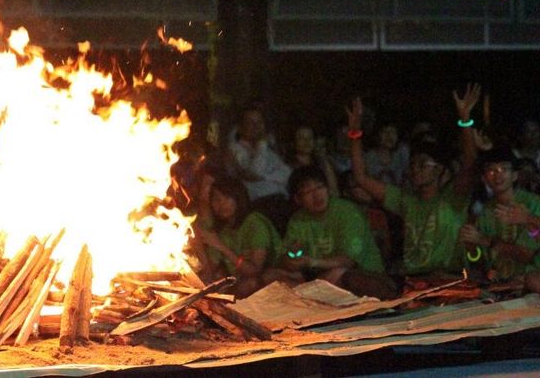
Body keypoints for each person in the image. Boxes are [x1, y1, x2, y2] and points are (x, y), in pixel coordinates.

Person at [346, 85, 480, 282]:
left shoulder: (453, 198)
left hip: (448, 278)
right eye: (412, 165)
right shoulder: (405, 200)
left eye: (423, 164)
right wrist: (355, 133)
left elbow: (470, 165)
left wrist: (465, 120)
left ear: (439, 169)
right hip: (413, 279)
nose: (415, 169)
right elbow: (360, 178)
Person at [282, 166, 397, 300]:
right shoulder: (298, 220)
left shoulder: (347, 212)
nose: (317, 195)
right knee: (273, 277)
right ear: (297, 198)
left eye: (319, 187)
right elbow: (287, 256)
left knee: (339, 274)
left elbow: (348, 261)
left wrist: (312, 262)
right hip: (321, 279)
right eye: (308, 191)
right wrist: (291, 258)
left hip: (365, 274)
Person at [196, 175, 292, 297]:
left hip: (271, 279)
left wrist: (221, 247)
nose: (222, 204)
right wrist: (198, 244)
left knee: (250, 284)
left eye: (227, 197)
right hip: (241, 281)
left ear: (238, 197)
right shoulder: (223, 230)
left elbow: (254, 271)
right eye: (216, 199)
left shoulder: (255, 223)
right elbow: (211, 270)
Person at [459, 147, 540, 283]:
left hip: (529, 283)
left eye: (503, 169)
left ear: (515, 175)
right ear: (484, 178)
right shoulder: (485, 210)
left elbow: (528, 255)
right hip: (500, 284)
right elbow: (478, 259)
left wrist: (484, 240)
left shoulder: (533, 204)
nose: (497, 175)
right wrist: (471, 247)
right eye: (491, 170)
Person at [226, 105, 292, 234]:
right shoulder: (235, 149)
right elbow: (255, 171)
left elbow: (287, 173)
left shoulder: (268, 149)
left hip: (281, 203)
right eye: (250, 122)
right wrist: (261, 144)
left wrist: (265, 177)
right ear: (240, 127)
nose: (256, 126)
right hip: (258, 207)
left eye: (259, 122)